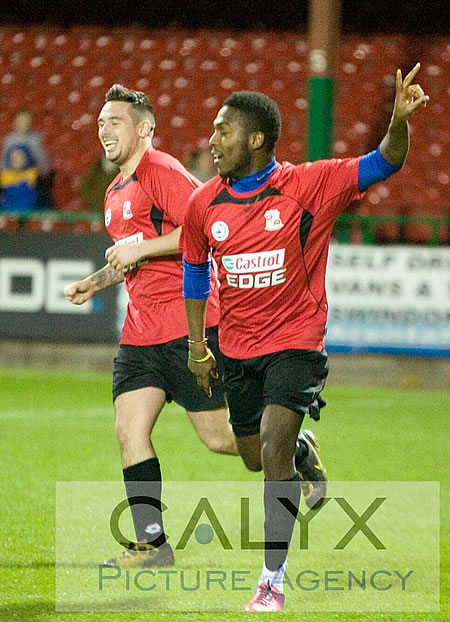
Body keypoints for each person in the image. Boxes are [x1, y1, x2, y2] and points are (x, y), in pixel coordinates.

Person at [181, 64, 429, 611]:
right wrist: (198, 346)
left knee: (269, 450)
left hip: (296, 341)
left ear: (256, 139)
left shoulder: (308, 185)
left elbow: (385, 160)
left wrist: (398, 120)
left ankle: (272, 580)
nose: (212, 140)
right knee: (252, 454)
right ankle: (301, 450)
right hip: (237, 348)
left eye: (223, 131)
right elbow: (196, 271)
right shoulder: (203, 204)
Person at [63, 84, 241, 569]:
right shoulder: (115, 190)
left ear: (143, 129)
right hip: (140, 333)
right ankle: (152, 544)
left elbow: (201, 231)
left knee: (222, 439)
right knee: (129, 430)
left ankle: (294, 449)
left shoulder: (161, 171)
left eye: (114, 122)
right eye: (100, 123)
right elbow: (129, 257)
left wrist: (138, 249)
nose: (104, 131)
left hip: (188, 328)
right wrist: (96, 283)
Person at [2, 109, 53, 210]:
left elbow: (43, 162)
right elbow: (4, 160)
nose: (24, 123)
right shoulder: (9, 140)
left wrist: (36, 174)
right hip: (11, 176)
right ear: (15, 122)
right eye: (21, 120)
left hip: (32, 176)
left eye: (26, 120)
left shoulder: (35, 140)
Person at [0, 144, 39, 213]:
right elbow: (4, 183)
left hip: (27, 206)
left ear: (27, 158)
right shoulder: (6, 173)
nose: (17, 160)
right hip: (8, 205)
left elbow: (31, 182)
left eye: (20, 157)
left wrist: (15, 180)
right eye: (14, 158)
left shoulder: (32, 172)